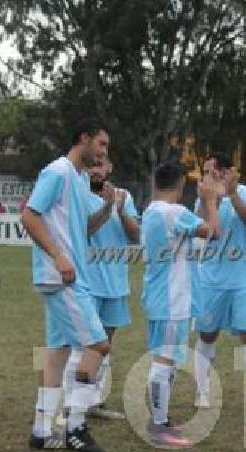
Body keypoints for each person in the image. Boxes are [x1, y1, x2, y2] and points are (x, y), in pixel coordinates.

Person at [19, 118, 111, 452]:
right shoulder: (57, 171)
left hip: (70, 275)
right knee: (98, 346)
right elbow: (29, 215)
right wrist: (58, 256)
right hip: (63, 277)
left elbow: (84, 227)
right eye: (101, 145)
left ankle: (42, 431)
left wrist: (109, 205)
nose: (103, 154)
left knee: (57, 354)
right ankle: (75, 427)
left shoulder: (79, 178)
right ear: (83, 139)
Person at [140, 160, 221, 448]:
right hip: (173, 299)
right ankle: (158, 425)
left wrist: (202, 203)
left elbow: (191, 226)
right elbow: (214, 231)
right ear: (180, 185)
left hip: (159, 296)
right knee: (164, 361)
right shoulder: (174, 212)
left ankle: (161, 418)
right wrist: (211, 201)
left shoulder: (152, 212)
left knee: (167, 359)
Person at [191, 153, 246, 414]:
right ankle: (202, 391)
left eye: (209, 171)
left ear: (224, 172)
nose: (205, 176)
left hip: (244, 281)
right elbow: (203, 227)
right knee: (207, 334)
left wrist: (232, 194)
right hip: (211, 280)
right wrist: (210, 198)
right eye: (204, 172)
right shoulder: (203, 198)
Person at [80, 157, 141, 421]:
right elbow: (84, 230)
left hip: (116, 284)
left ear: (110, 168)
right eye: (91, 165)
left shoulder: (124, 197)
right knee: (85, 345)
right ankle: (76, 403)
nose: (96, 170)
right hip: (87, 284)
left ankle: (94, 402)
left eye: (100, 165)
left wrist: (120, 208)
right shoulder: (79, 195)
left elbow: (135, 236)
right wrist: (106, 207)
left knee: (106, 346)